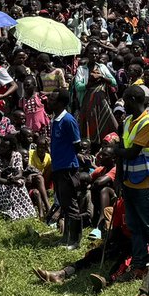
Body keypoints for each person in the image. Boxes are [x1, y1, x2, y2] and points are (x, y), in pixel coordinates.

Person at [118, 84, 149, 274]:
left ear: (132, 100)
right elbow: (125, 150)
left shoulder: (148, 122)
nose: (123, 105)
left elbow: (131, 153)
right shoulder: (130, 120)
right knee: (134, 226)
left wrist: (117, 150)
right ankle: (139, 263)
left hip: (145, 182)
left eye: (124, 100)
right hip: (129, 181)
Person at [48, 89, 83, 249]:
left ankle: (75, 240)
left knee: (71, 204)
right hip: (58, 167)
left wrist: (67, 158)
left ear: (61, 102)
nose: (49, 101)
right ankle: (65, 237)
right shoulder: (55, 119)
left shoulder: (68, 120)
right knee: (64, 203)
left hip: (67, 168)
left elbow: (77, 144)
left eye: (53, 99)